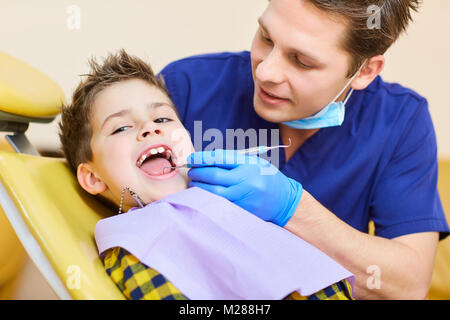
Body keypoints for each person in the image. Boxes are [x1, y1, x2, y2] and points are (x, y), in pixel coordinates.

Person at [159, 0, 449, 299]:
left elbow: (408, 286)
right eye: (266, 38)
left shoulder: (399, 121)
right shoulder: (188, 87)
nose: (265, 72)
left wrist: (293, 209)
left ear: (364, 70)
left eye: (302, 61)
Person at [58, 49, 353, 300]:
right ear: (93, 178)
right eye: (122, 127)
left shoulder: (231, 202)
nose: (151, 128)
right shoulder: (131, 241)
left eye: (162, 118)